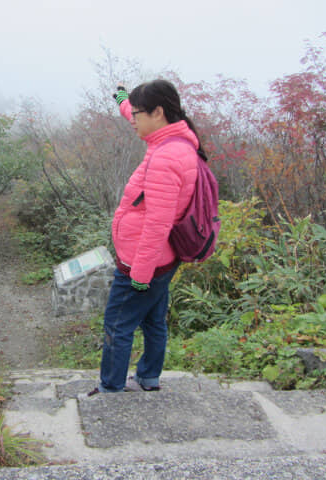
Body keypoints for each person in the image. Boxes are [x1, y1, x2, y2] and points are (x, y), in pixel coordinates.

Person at [85, 79, 204, 396]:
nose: (133, 120)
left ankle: (110, 387)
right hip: (162, 259)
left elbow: (158, 223)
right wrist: (124, 102)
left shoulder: (166, 158)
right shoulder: (173, 140)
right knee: (153, 321)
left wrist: (139, 272)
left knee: (118, 325)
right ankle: (149, 377)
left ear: (158, 112)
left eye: (138, 114)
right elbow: (135, 116)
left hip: (144, 260)